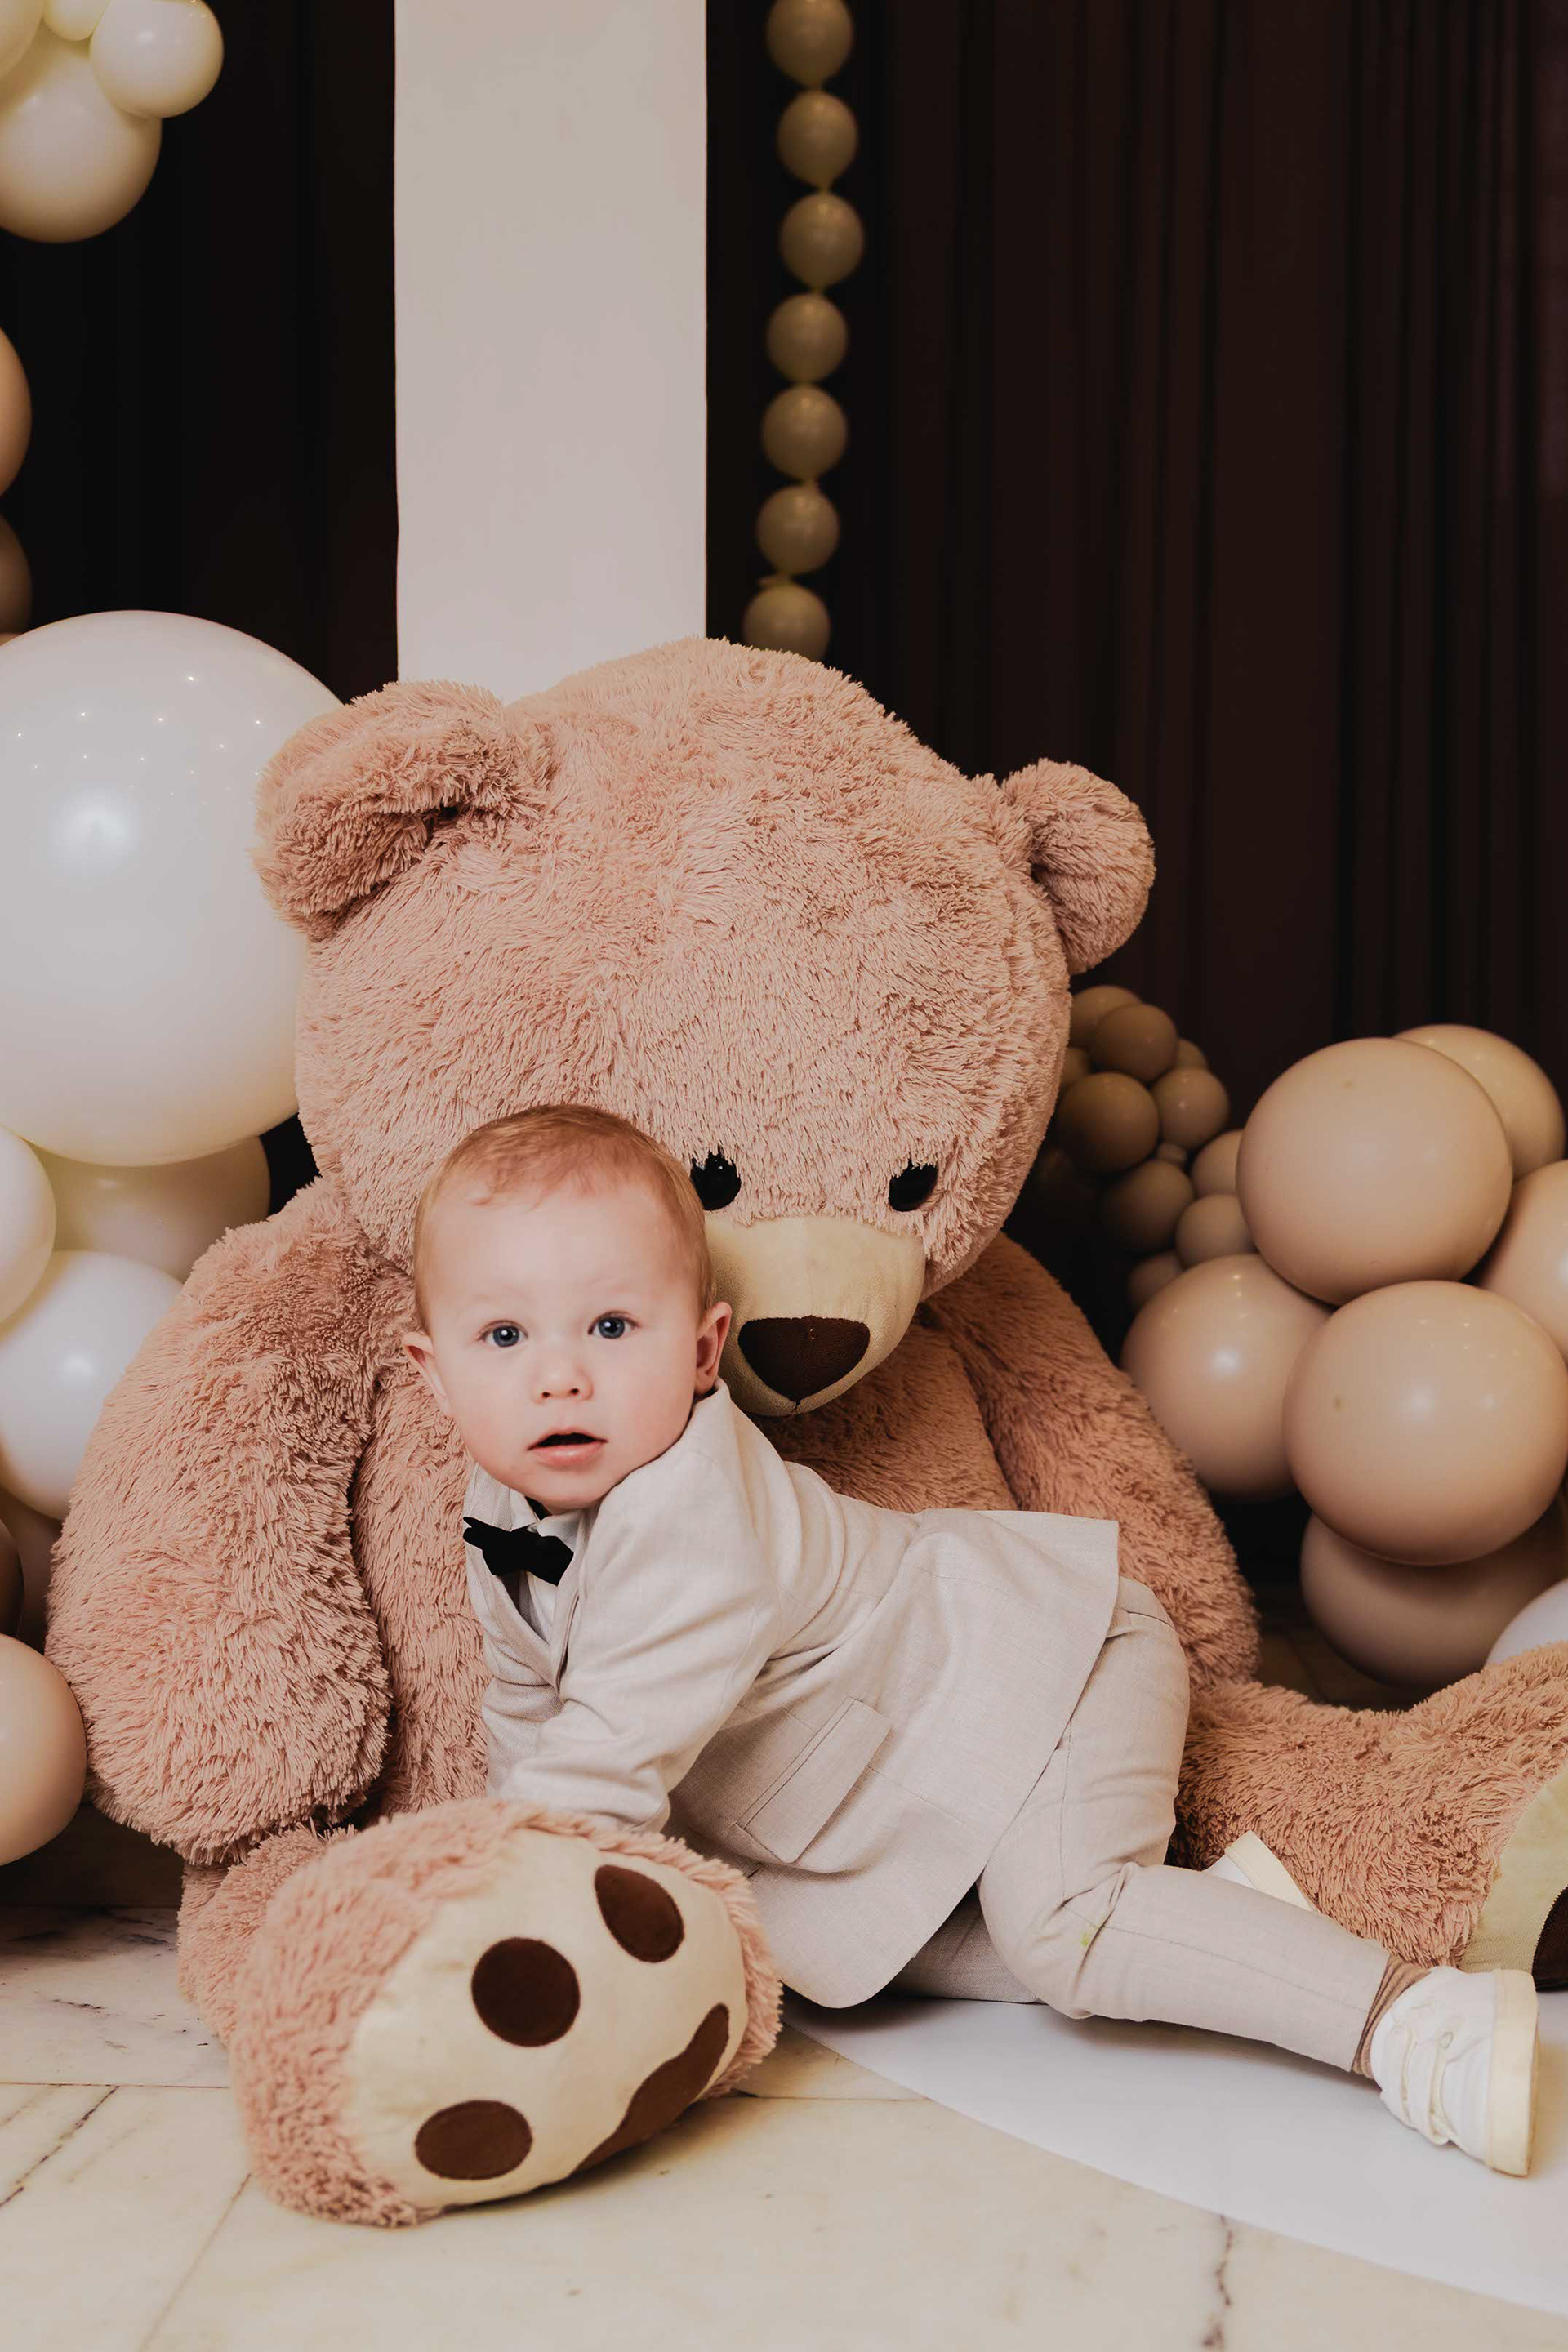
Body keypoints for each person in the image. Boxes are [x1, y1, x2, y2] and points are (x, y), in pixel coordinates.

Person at [403, 1103, 1540, 2176]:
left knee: (1062, 1930)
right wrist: (493, 1847)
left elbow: (604, 1758)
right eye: (503, 1335)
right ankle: (1227, 1935)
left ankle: (1409, 2018)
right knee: (853, 1956)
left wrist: (468, 1912)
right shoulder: (507, 1508)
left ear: (705, 1352)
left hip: (1059, 1662)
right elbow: (526, 1703)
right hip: (910, 1760)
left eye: (611, 1327)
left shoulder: (689, 1515)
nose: (560, 1376)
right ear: (436, 1376)